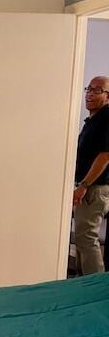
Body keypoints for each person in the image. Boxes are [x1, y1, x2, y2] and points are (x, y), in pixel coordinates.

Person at [74, 76, 109, 274]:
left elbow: (105, 156)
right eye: (89, 89)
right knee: (82, 239)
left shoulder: (107, 117)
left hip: (95, 189)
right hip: (88, 187)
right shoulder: (93, 120)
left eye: (97, 90)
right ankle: (83, 285)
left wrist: (84, 185)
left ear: (107, 96)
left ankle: (97, 289)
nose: (89, 94)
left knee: (87, 239)